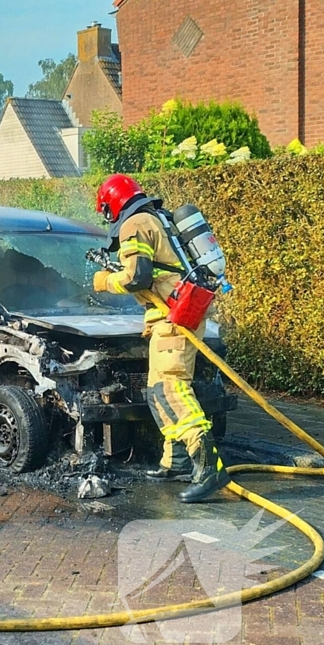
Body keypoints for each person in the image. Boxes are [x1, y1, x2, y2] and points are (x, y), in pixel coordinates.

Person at [90, 174, 228, 503]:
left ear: (113, 204)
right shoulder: (154, 218)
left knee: (172, 389)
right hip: (171, 316)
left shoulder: (133, 224)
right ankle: (176, 461)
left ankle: (210, 466)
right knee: (157, 392)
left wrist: (104, 282)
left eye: (106, 210)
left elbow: (138, 277)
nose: (108, 218)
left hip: (174, 319)